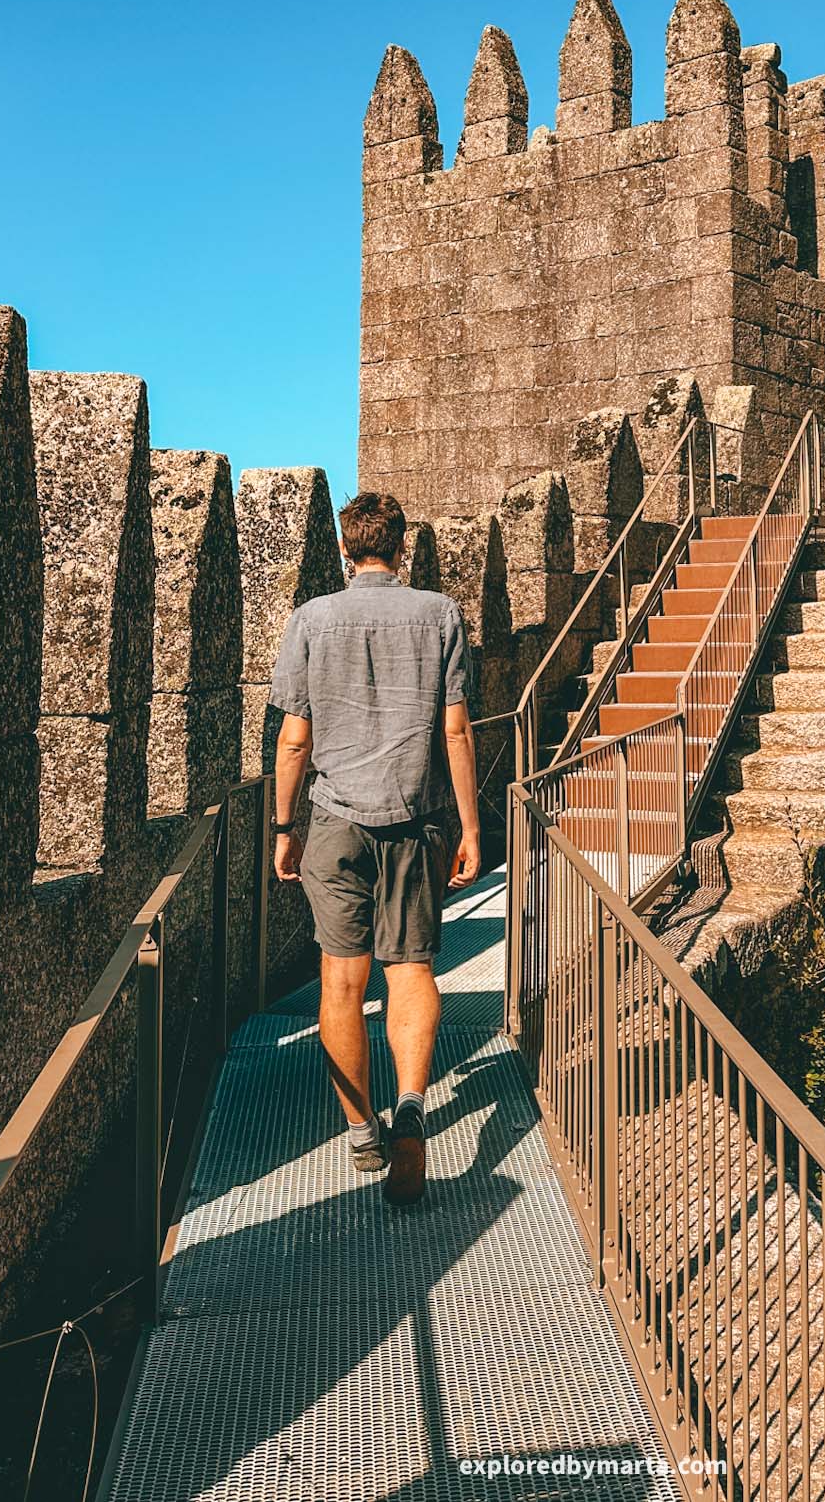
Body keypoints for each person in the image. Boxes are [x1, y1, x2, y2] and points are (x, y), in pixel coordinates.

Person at [267, 491, 480, 1206]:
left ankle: (363, 1130)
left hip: (335, 820)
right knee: (411, 970)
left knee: (341, 981)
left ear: (344, 549)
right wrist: (471, 829)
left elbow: (294, 740)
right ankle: (411, 1108)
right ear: (401, 546)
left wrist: (284, 828)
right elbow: (455, 731)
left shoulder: (311, 619)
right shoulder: (440, 614)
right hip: (417, 820)